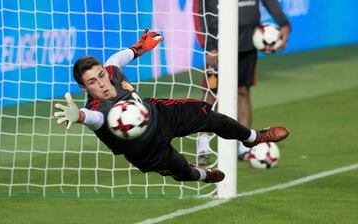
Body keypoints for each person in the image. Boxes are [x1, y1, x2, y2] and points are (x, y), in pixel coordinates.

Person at [54, 28, 289, 183]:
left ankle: (252, 137)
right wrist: (80, 117)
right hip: (144, 150)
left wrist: (140, 47)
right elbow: (94, 119)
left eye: (101, 75)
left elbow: (118, 58)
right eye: (92, 82)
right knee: (182, 171)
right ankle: (203, 174)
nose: (102, 83)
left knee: (208, 115)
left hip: (159, 115)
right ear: (84, 88)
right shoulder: (97, 108)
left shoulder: (113, 70)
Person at [195, 0, 291, 164]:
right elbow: (204, 13)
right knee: (212, 93)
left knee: (243, 91)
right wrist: (210, 46)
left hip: (248, 45)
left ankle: (244, 146)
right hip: (219, 45)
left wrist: (284, 24)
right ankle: (203, 144)